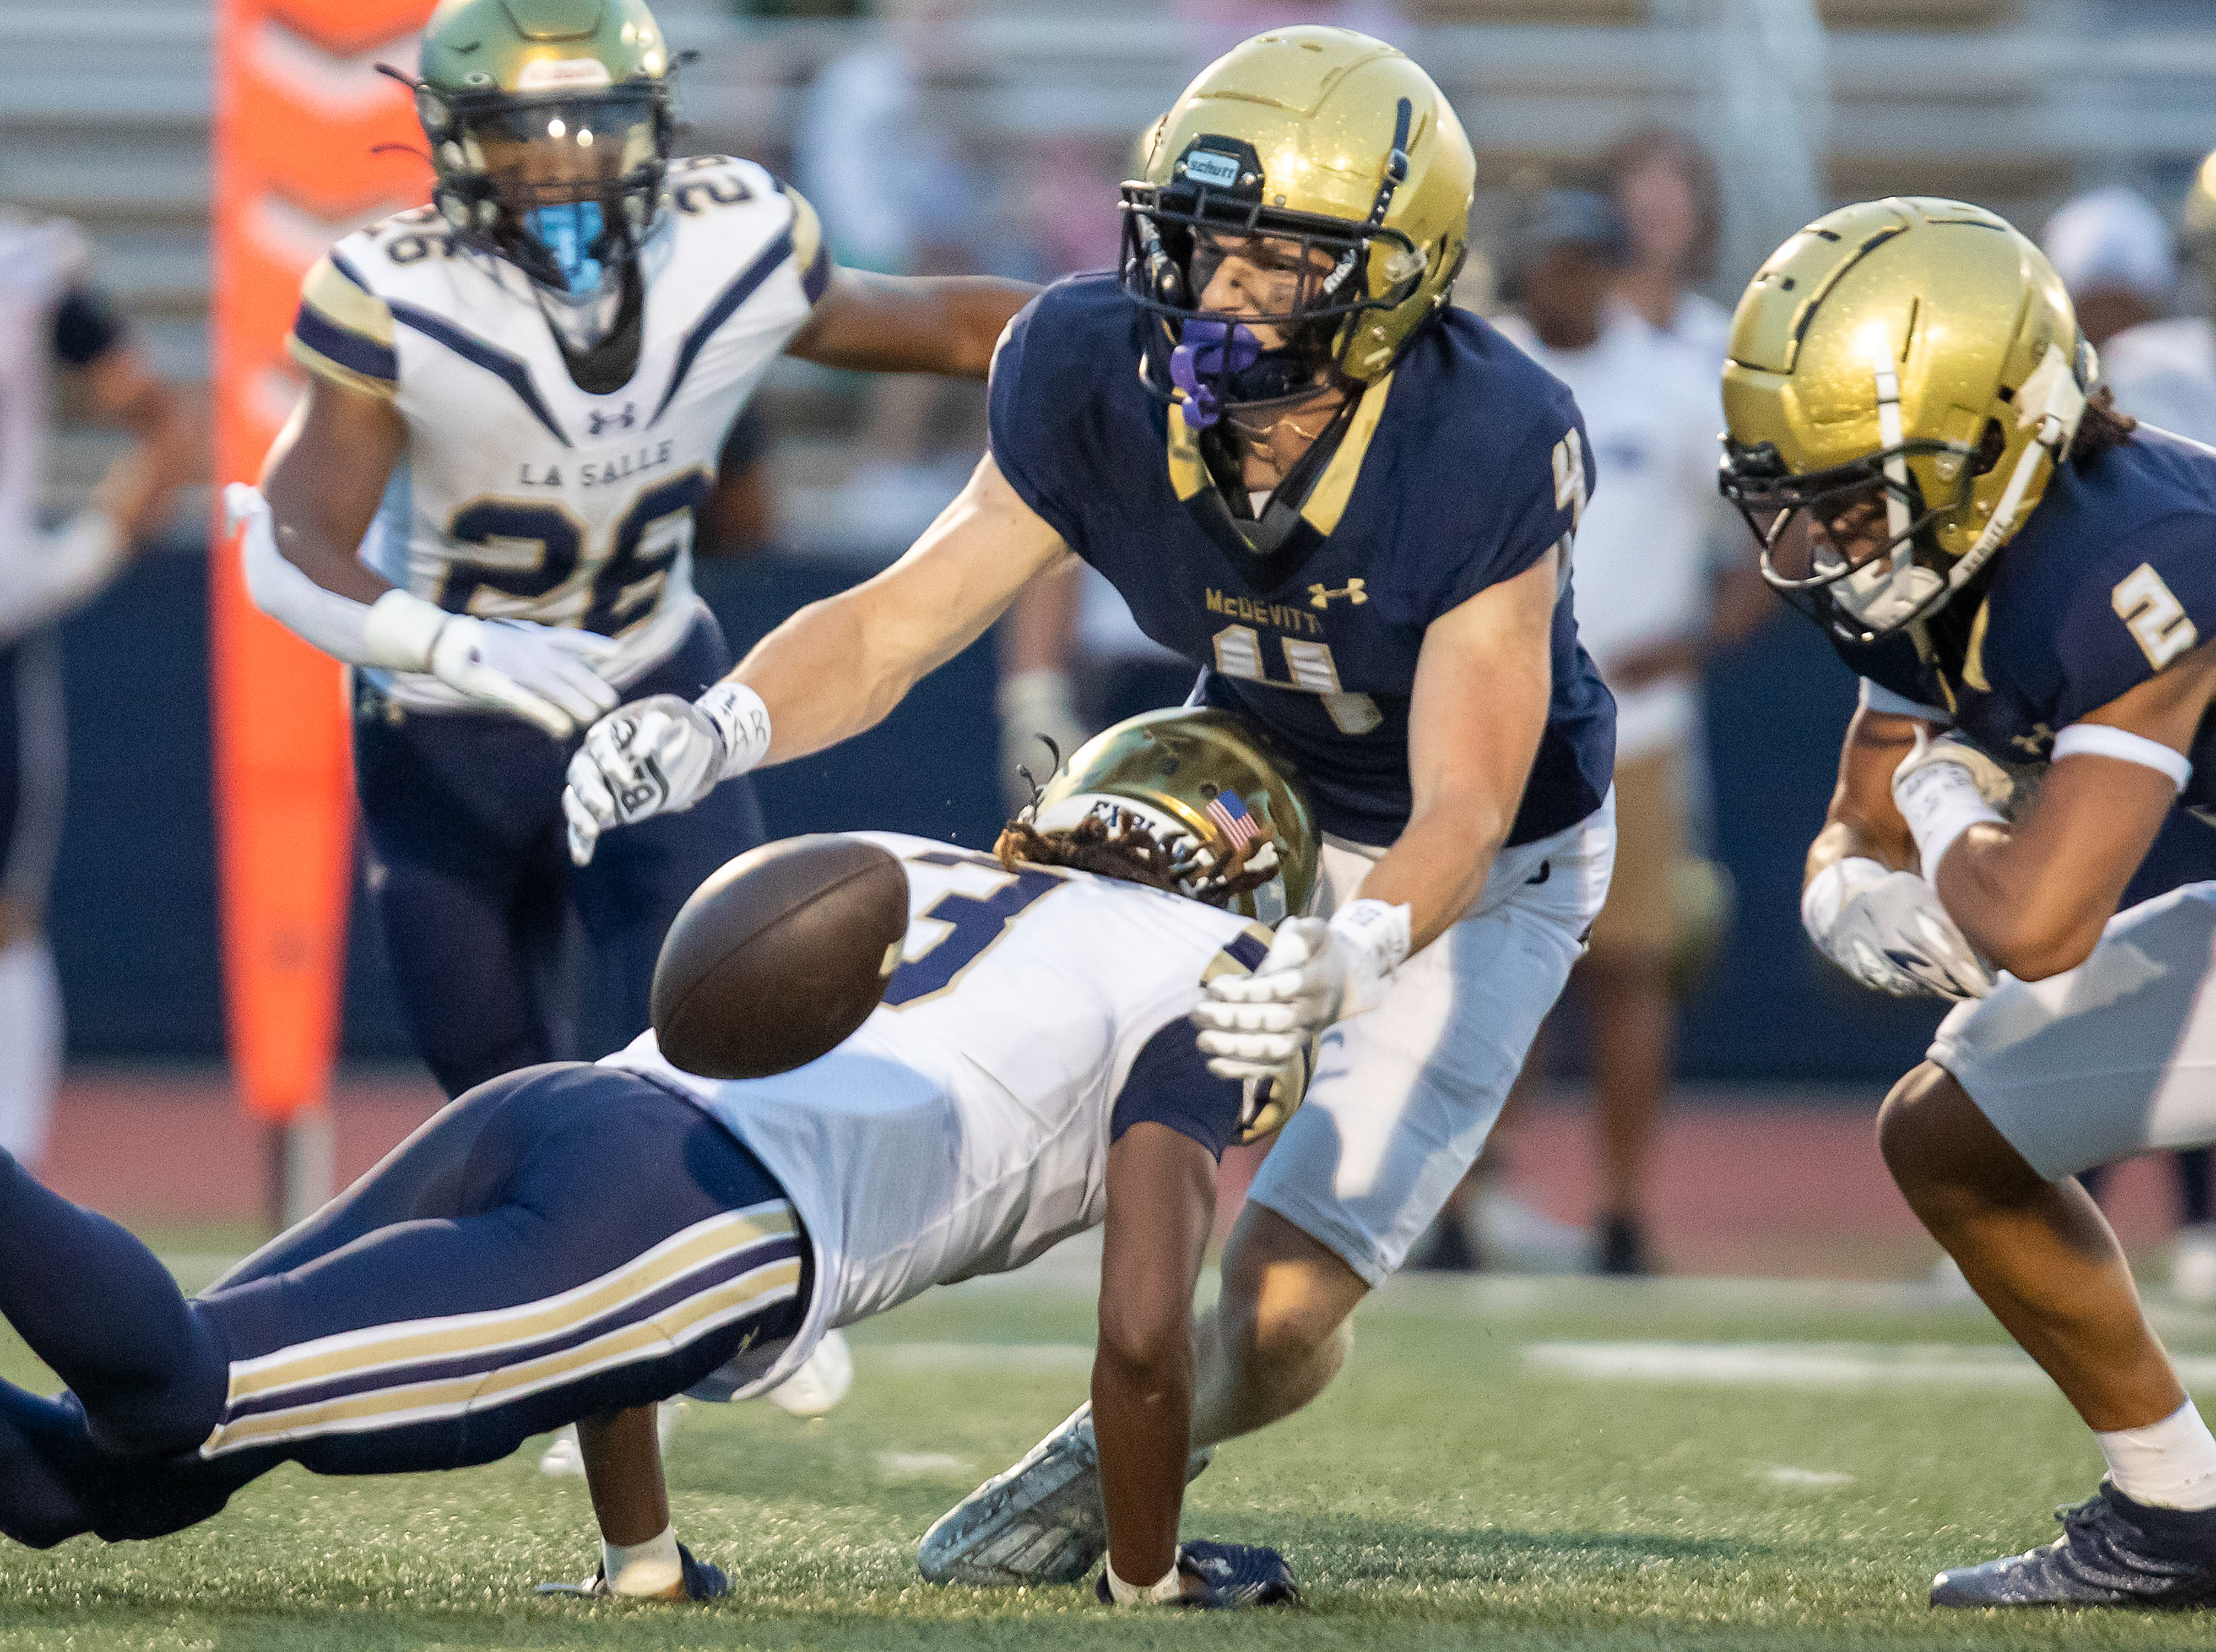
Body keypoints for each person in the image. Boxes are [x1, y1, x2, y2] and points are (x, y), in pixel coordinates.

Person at [561, 26, 1616, 1588]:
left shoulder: (1484, 444)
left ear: (1393, 277)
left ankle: (1128, 1438)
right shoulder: (1092, 364)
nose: (1218, 292)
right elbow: (903, 618)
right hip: (1239, 798)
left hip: (1484, 869)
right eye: (1199, 244)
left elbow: (1467, 798)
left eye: (1276, 256)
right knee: (1040, 1073)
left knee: (1272, 1319)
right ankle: (766, 1273)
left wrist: (1356, 953)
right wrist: (721, 725)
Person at [0, 709, 1306, 1611]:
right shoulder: (1214, 977)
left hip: (562, 1112)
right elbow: (1143, 1334)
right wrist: (1148, 1578)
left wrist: (645, 1560)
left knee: (103, 1482)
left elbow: (627, 1303)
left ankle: (644, 1564)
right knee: (181, 1397)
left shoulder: (939, 865)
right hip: (694, 1215)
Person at [234, 0, 1034, 1097]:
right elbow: (286, 547)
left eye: (596, 126)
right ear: (457, 140)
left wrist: (1140, 329)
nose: (565, 170)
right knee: (498, 1092)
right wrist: (446, 644)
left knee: (720, 1051)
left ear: (656, 124)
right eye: (525, 132)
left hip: (649, 683)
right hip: (441, 726)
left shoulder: (729, 242)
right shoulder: (400, 293)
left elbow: (951, 328)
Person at [1726, 193, 2216, 1607]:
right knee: (1954, 1135)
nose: (1821, 538)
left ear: (1998, 437)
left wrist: (1944, 806)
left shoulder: (2139, 560)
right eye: (1799, 493)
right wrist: (1847, 899)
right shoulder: (1948, 553)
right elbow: (1858, 817)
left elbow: (2034, 927)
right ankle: (2178, 1514)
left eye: (1854, 493)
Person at [1484, 189, 1761, 1274]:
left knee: (1629, 968)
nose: (1568, 281)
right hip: (1491, 709)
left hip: (1630, 723)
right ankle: (1469, 1197)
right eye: (1551, 262)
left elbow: (1761, 547)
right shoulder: (1484, 369)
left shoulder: (1672, 388)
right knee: (1488, 961)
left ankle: (1622, 1209)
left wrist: (1690, 645)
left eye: (1584, 262)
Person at [0, 213, 192, 1167]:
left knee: (6, 917)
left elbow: (163, 425)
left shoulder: (26, 271)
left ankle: (11, 1185)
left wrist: (66, 565)